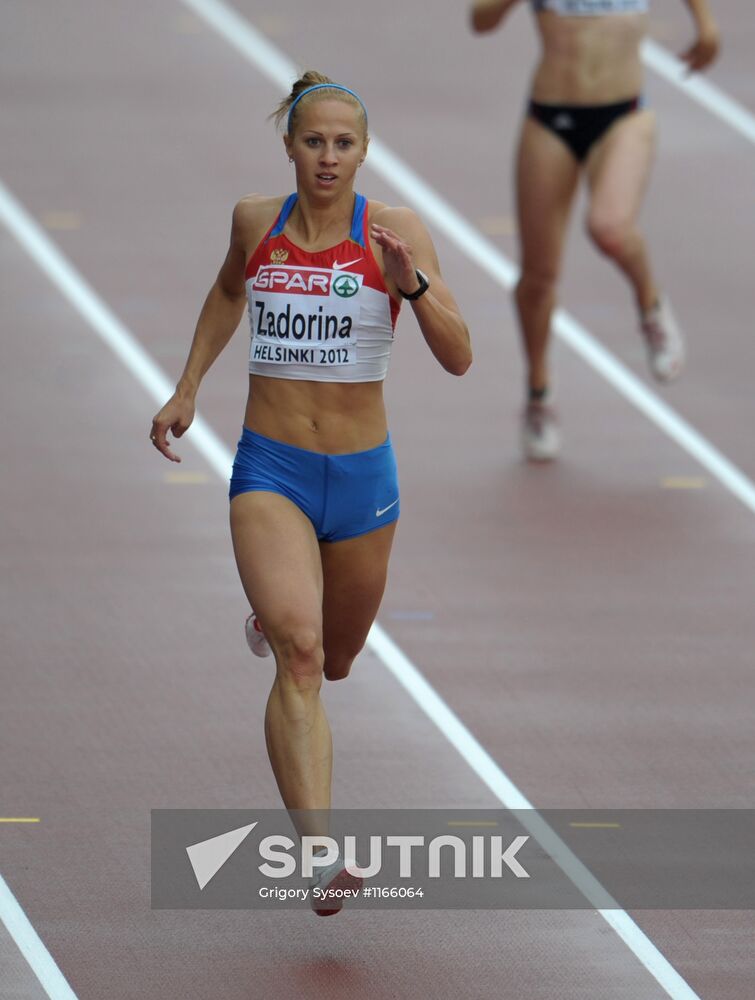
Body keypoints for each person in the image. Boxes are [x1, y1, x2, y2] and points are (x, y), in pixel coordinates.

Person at [149, 71, 471, 914]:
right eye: (313, 140)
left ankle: (278, 610)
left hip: (362, 479)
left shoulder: (393, 232)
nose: (327, 157)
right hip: (273, 469)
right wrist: (186, 388)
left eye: (343, 143)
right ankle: (319, 850)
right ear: (289, 145)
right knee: (298, 654)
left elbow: (460, 354)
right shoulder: (257, 222)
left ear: (363, 152)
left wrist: (413, 287)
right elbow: (229, 290)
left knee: (336, 657)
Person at [470, 0, 720, 460]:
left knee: (609, 227)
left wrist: (705, 26)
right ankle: (539, 394)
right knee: (538, 276)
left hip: (624, 113)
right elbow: (479, 20)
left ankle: (651, 304)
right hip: (550, 116)